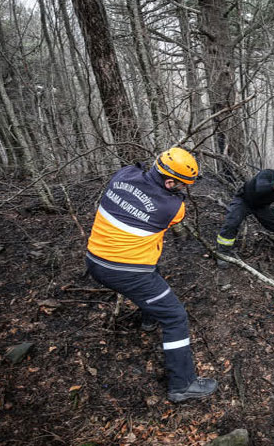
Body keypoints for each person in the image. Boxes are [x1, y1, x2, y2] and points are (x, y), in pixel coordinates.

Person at [85, 147, 217, 403]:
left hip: (94, 259)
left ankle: (148, 319)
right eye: (181, 186)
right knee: (176, 317)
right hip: (126, 271)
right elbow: (166, 216)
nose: (182, 191)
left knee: (154, 269)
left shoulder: (122, 174)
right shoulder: (173, 208)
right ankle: (183, 384)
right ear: (170, 182)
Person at [215, 168, 274, 267]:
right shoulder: (267, 174)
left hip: (261, 206)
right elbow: (259, 188)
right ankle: (223, 253)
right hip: (244, 200)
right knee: (232, 222)